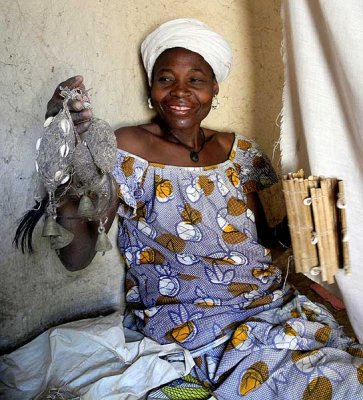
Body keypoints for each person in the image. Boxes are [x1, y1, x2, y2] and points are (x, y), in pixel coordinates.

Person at [35, 18, 363, 400]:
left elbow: (269, 243)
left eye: (196, 80)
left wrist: (297, 232)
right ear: (151, 88)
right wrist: (75, 160)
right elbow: (76, 256)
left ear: (214, 89)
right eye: (166, 79)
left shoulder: (241, 153)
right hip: (198, 325)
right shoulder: (126, 149)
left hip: (272, 306)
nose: (180, 92)